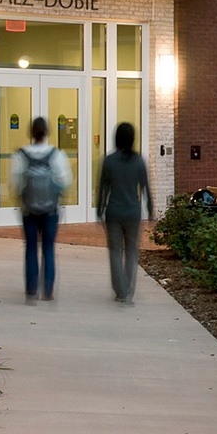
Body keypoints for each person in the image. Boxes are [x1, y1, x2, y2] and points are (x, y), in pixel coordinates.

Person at [9, 116, 71, 302]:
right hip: (50, 211)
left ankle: (31, 290)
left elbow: (14, 183)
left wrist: (21, 199)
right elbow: (66, 181)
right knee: (48, 249)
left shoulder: (21, 155)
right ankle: (48, 290)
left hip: (28, 210)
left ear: (31, 132)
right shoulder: (56, 154)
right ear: (46, 133)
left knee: (30, 248)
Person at [94, 122, 154, 304]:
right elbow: (145, 188)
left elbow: (103, 188)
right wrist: (150, 209)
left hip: (113, 212)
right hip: (133, 213)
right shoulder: (138, 161)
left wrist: (100, 209)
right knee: (131, 252)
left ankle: (120, 290)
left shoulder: (109, 161)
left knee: (115, 251)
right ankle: (128, 289)